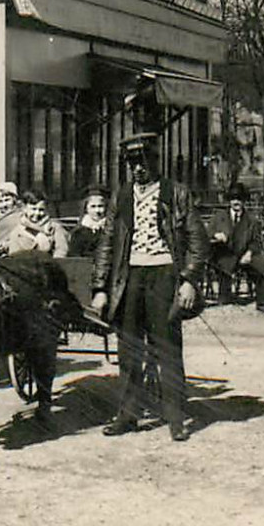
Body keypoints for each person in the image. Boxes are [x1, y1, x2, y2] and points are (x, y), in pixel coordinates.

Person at [91, 132, 209, 442]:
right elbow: (107, 243)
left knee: (167, 348)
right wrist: (100, 287)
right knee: (128, 349)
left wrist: (188, 280)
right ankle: (128, 415)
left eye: (143, 161)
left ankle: (176, 417)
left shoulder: (176, 193)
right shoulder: (122, 196)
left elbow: (198, 241)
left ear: (156, 160)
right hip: (129, 278)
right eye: (132, 163)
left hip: (165, 276)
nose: (138, 168)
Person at [208, 182, 264, 313]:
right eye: (234, 199)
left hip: (244, 252)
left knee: (263, 266)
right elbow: (206, 234)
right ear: (229, 201)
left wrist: (250, 252)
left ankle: (263, 301)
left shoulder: (251, 220)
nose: (236, 202)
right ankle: (224, 297)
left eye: (239, 199)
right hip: (225, 253)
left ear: (244, 201)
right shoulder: (219, 217)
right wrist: (216, 235)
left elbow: (256, 241)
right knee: (223, 264)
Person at [3, 189, 69, 257]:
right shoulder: (17, 232)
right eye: (33, 209)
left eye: (41, 210)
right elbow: (14, 257)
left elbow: (61, 251)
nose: (37, 213)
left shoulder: (55, 228)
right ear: (24, 209)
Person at [66, 187, 111, 259]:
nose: (97, 211)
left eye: (100, 206)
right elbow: (74, 257)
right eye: (93, 207)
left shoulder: (112, 229)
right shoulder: (78, 233)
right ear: (86, 208)